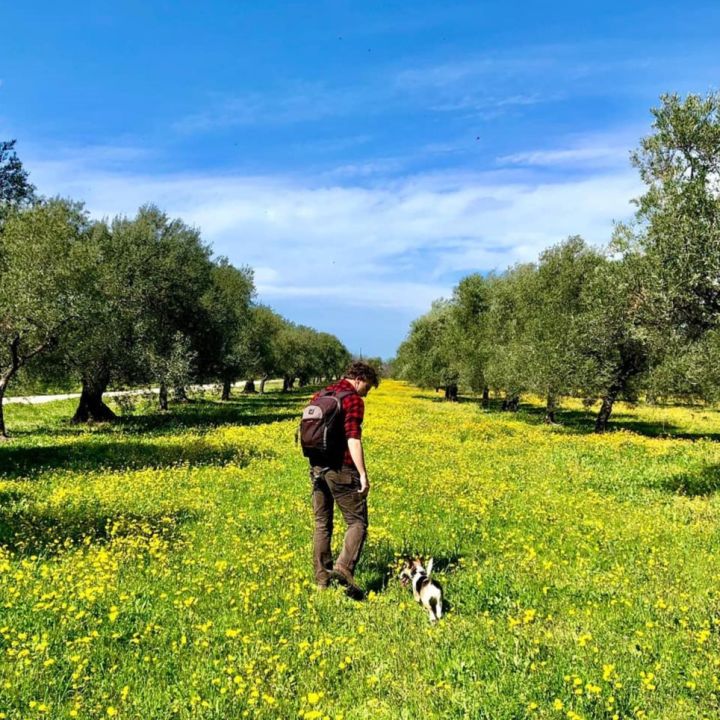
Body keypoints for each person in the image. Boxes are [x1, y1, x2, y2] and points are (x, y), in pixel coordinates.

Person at [308, 361, 379, 598]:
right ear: (359, 379)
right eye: (367, 387)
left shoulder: (321, 394)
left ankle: (322, 581)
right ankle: (343, 568)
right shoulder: (352, 399)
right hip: (342, 469)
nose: (365, 394)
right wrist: (363, 474)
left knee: (322, 523)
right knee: (357, 522)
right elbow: (353, 438)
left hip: (317, 467)